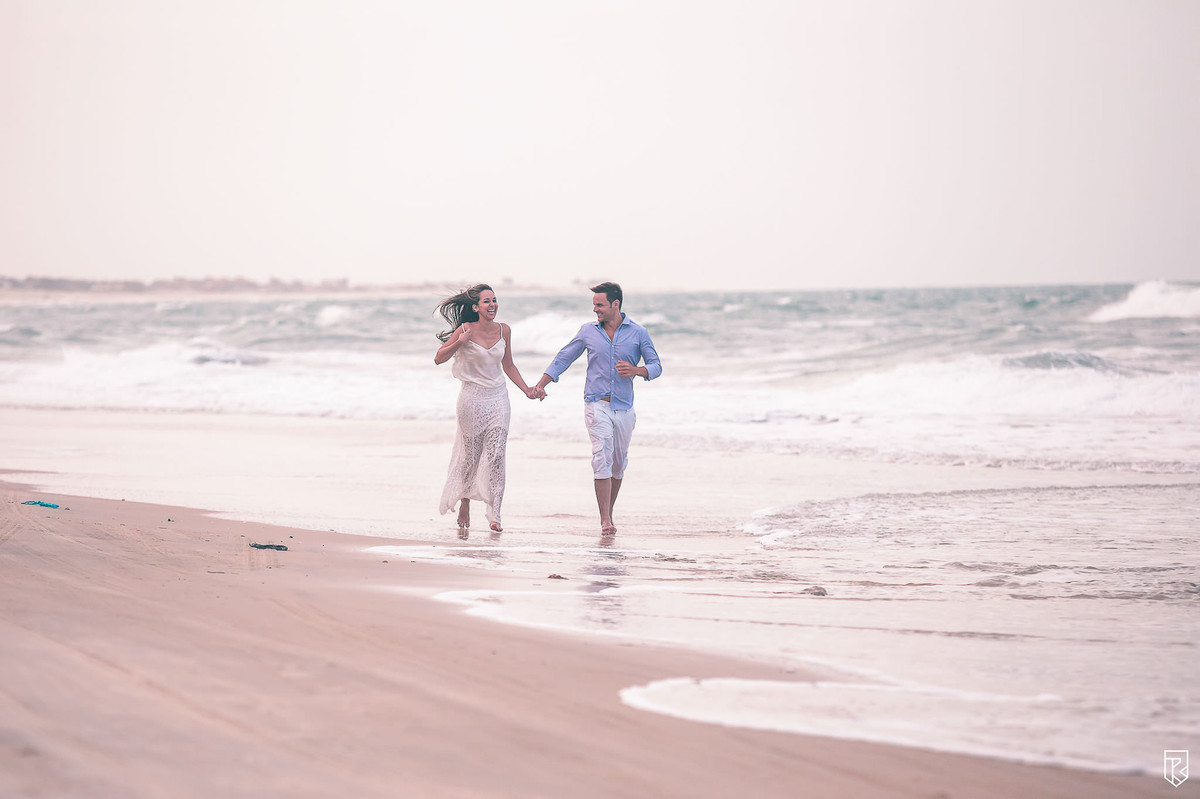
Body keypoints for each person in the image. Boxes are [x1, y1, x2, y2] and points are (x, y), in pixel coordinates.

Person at [535, 282, 661, 535]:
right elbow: (564, 357)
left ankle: (608, 512)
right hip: (596, 404)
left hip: (624, 407)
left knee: (618, 463)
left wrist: (637, 370)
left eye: (600, 305)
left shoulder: (638, 332)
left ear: (616, 304)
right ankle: (605, 520)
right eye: (594, 305)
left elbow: (656, 366)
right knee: (601, 456)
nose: (595, 310)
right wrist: (541, 384)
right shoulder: (588, 331)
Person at [434, 284, 543, 533]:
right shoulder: (465, 329)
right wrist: (458, 342)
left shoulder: (504, 330)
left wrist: (526, 389)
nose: (492, 304)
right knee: (470, 457)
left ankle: (495, 512)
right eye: (486, 301)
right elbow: (439, 358)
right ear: (475, 307)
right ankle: (464, 503)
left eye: (494, 300)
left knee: (496, 454)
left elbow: (509, 366)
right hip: (471, 399)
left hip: (498, 398)